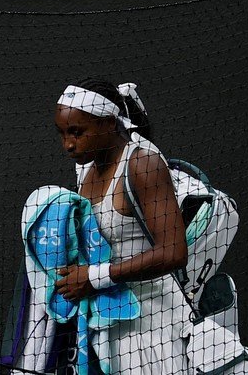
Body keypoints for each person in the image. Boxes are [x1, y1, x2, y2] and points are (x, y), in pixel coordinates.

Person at [52, 78, 189, 374]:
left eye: (77, 132)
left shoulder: (144, 165)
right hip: (105, 320)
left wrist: (94, 277)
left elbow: (173, 253)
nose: (69, 144)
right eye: (62, 133)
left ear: (110, 123)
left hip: (152, 325)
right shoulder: (84, 169)